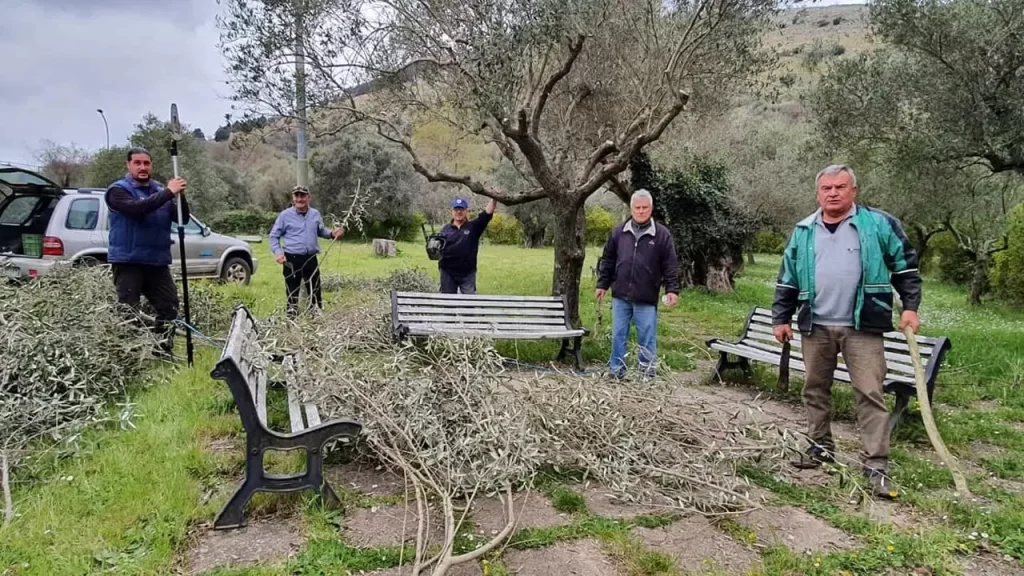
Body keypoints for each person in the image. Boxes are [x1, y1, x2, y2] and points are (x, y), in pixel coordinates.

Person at [772, 164, 922, 499]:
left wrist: (910, 307)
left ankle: (875, 465)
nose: (833, 193)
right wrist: (781, 318)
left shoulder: (878, 225)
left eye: (840, 187)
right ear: (818, 193)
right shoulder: (804, 229)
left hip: (863, 325)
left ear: (854, 191)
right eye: (827, 188)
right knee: (814, 389)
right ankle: (819, 447)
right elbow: (788, 278)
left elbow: (906, 267)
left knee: (869, 393)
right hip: (816, 323)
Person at [105, 147, 190, 357]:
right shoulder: (117, 191)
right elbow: (137, 209)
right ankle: (128, 357)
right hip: (128, 262)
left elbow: (183, 219)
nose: (142, 167)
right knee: (128, 311)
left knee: (169, 307)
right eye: (137, 163)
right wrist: (168, 193)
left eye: (146, 163)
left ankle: (162, 350)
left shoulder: (159, 190)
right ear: (128, 165)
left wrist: (180, 198)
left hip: (157, 262)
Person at [595, 189, 680, 378]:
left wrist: (672, 289)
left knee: (647, 339)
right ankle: (617, 371)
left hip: (646, 297)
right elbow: (608, 260)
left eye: (645, 208)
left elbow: (670, 264)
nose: (641, 211)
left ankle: (647, 375)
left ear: (651, 209)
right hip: (620, 296)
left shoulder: (662, 235)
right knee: (618, 335)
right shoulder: (619, 232)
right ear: (631, 208)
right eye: (637, 208)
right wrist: (602, 284)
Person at [269, 185, 343, 317]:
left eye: (302, 196)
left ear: (309, 197)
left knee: (315, 289)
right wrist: (278, 253)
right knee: (292, 291)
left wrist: (332, 233)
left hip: (311, 259)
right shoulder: (285, 216)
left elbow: (320, 230)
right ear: (293, 198)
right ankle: (292, 320)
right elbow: (274, 236)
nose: (299, 199)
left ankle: (317, 316)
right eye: (296, 196)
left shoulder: (315, 214)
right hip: (291, 259)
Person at [437, 196, 497, 294]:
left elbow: (487, 214)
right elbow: (437, 249)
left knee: (469, 302)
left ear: (466, 211)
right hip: (448, 272)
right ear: (452, 212)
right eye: (456, 209)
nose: (458, 212)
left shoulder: (474, 227)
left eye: (461, 209)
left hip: (467, 273)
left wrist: (494, 198)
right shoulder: (445, 229)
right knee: (447, 303)